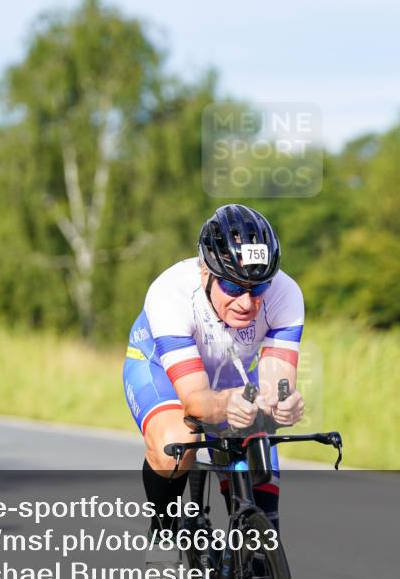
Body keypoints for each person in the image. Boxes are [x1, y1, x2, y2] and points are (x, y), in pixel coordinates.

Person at [123, 204, 305, 538]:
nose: (247, 303)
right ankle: (163, 534)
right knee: (176, 444)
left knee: (259, 475)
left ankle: (258, 561)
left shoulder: (286, 293)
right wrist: (225, 407)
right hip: (161, 370)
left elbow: (276, 383)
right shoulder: (171, 293)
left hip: (232, 373)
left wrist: (283, 403)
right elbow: (195, 401)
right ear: (205, 272)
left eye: (259, 288)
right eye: (234, 288)